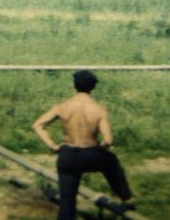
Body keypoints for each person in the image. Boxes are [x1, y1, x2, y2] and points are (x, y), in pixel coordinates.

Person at [32, 70, 135, 220]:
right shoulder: (99, 109)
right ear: (93, 87)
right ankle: (127, 199)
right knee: (111, 161)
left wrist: (52, 145)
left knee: (67, 202)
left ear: (74, 85)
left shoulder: (62, 106)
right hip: (90, 154)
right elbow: (108, 140)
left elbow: (38, 126)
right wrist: (101, 148)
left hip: (68, 155)